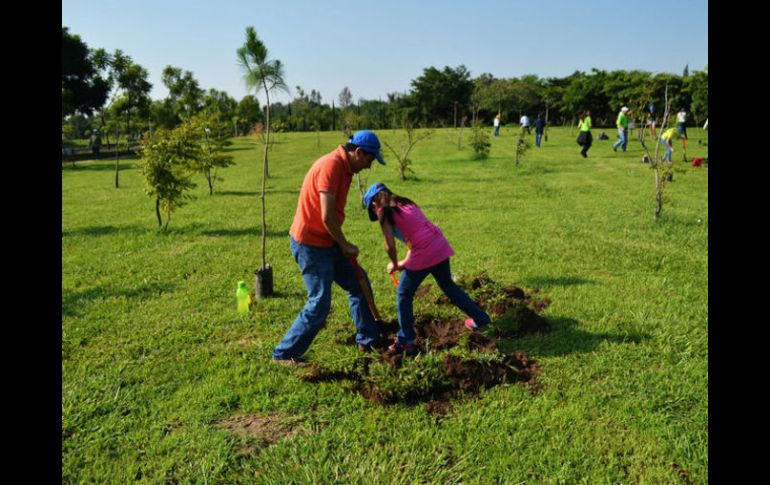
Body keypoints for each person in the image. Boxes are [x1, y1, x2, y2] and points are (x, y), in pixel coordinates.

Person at [272, 130, 387, 364]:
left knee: (358, 283)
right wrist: (345, 244)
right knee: (320, 302)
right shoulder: (332, 166)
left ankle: (368, 339)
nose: (369, 166)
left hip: (328, 240)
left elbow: (331, 216)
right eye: (369, 159)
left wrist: (340, 243)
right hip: (311, 243)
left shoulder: (345, 168)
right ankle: (283, 354)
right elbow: (326, 215)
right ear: (358, 152)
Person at [363, 182, 491, 352]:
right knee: (448, 285)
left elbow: (389, 246)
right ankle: (480, 318)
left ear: (373, 203)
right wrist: (401, 264)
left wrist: (394, 264)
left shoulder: (383, 211)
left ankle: (405, 340)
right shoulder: (405, 203)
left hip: (425, 253)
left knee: (404, 293)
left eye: (372, 210)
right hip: (438, 245)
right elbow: (416, 239)